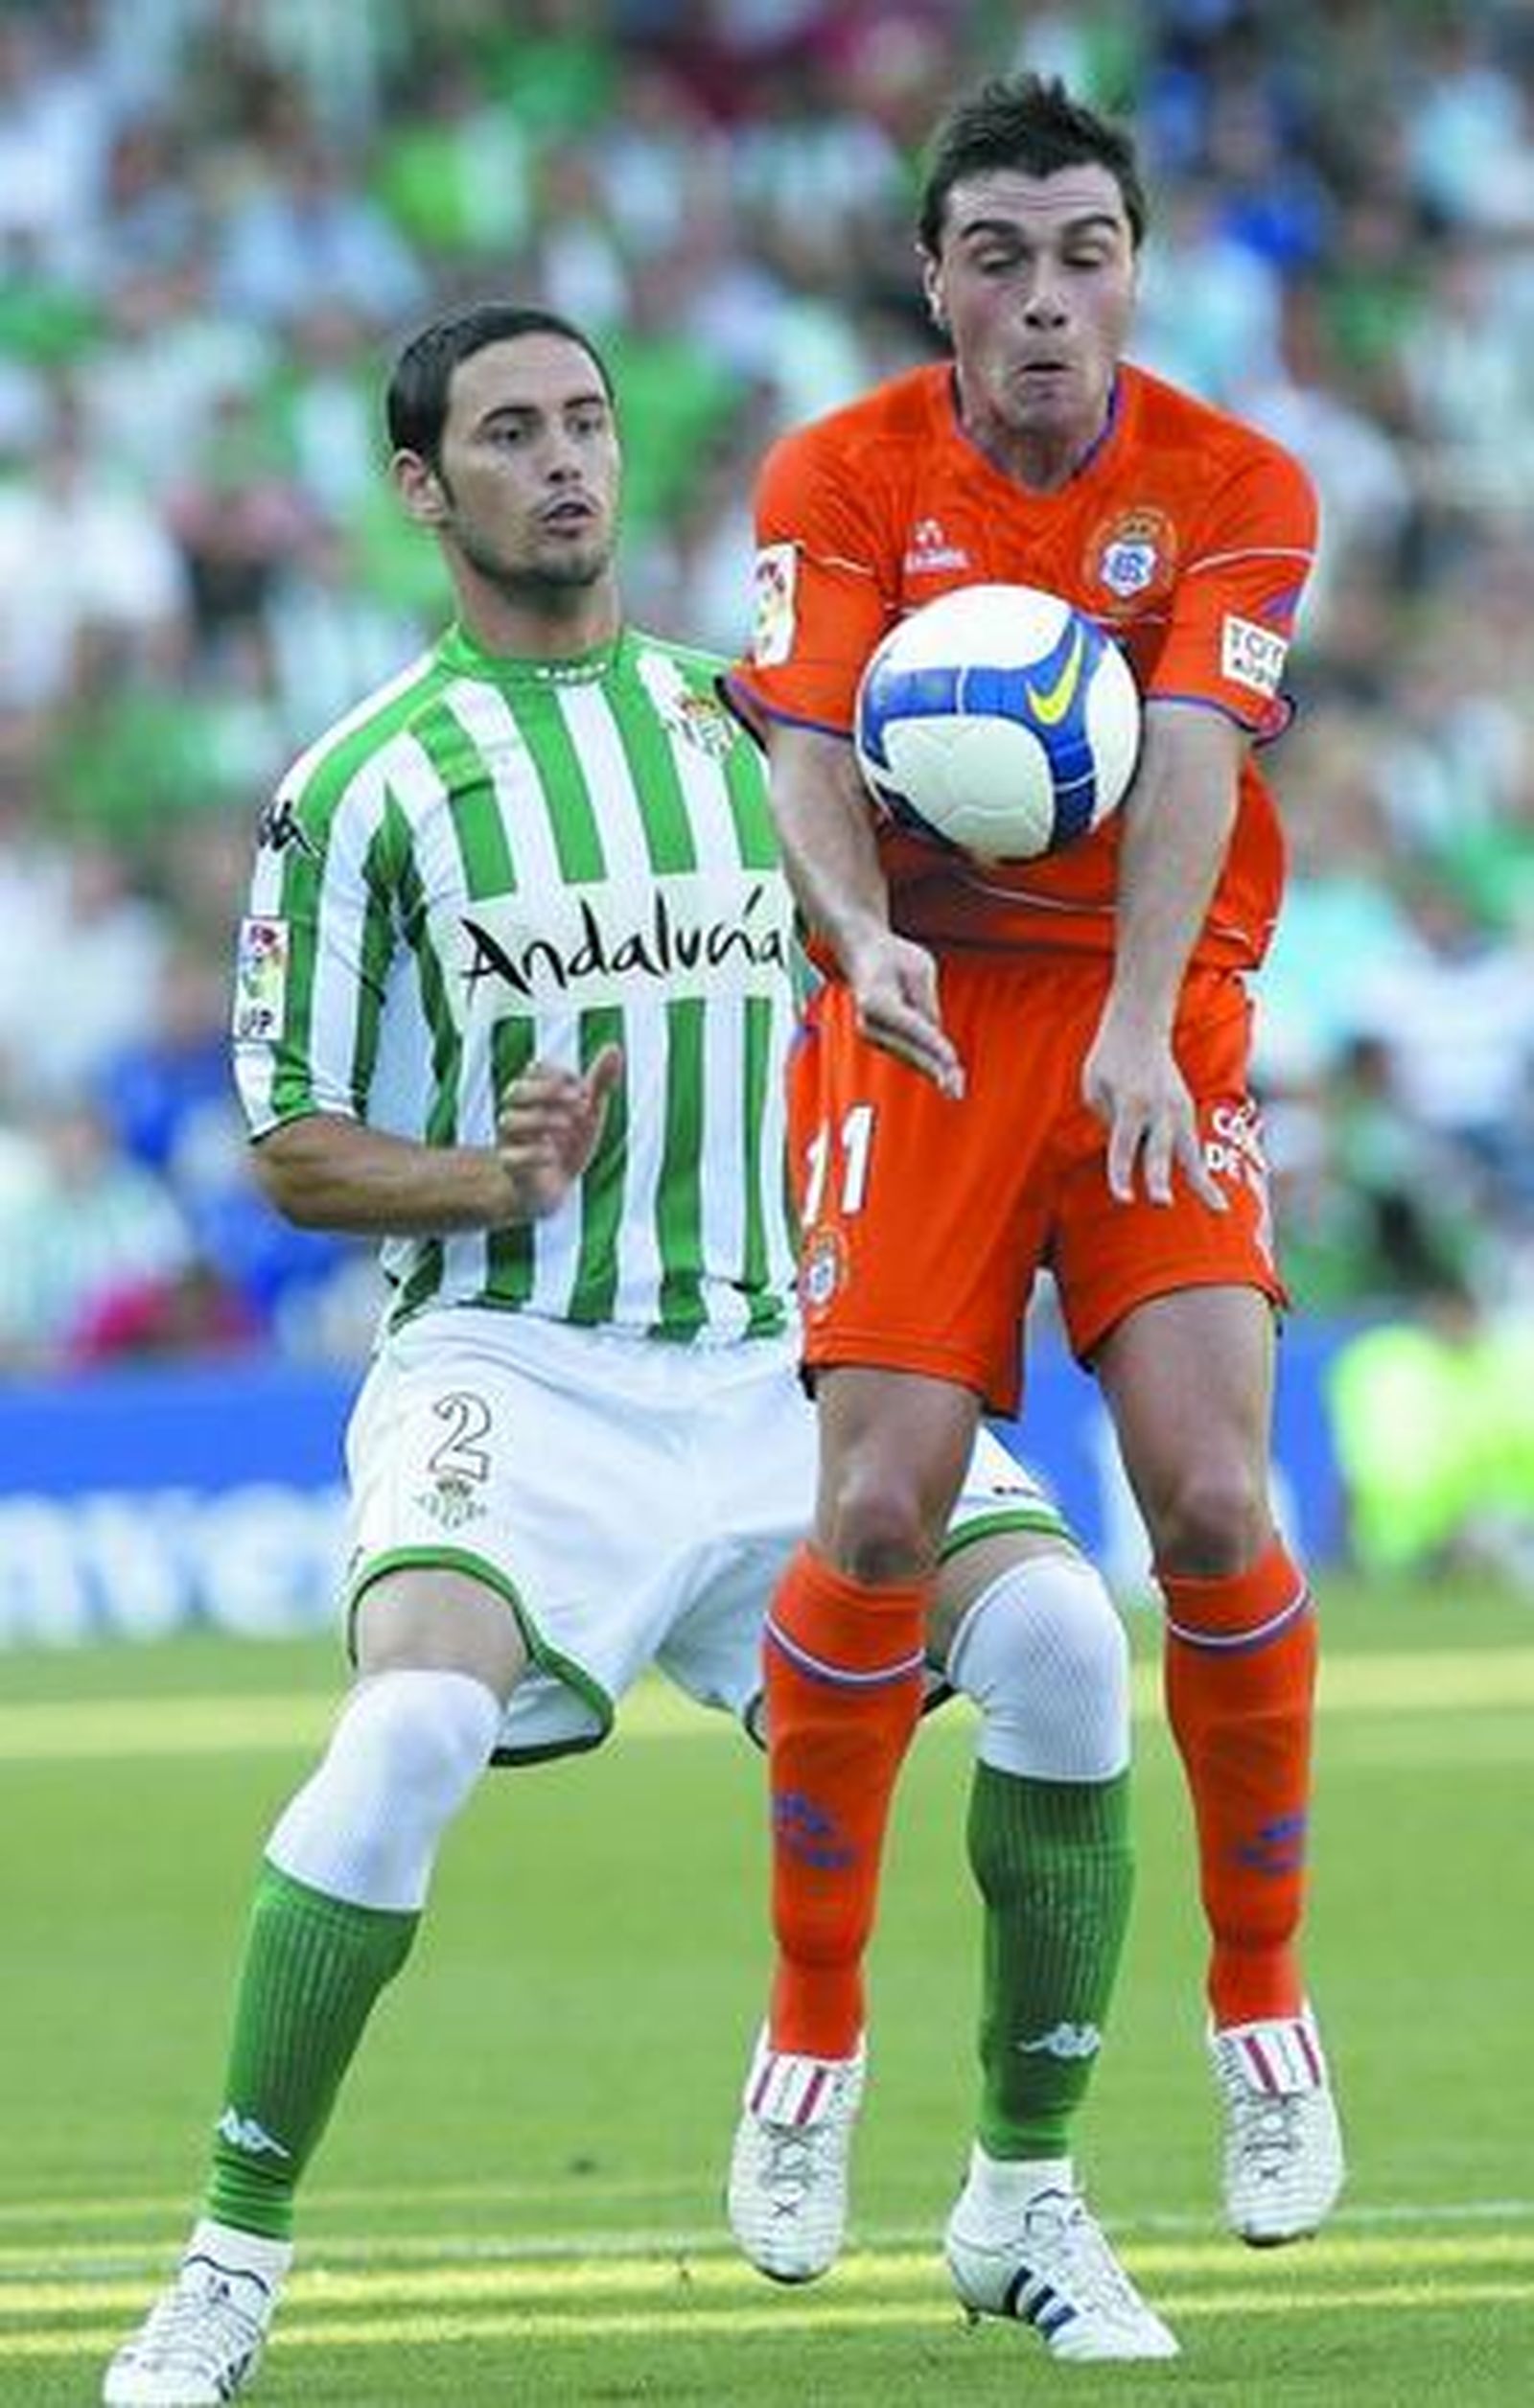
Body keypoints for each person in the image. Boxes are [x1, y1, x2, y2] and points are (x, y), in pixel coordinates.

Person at [103, 300, 1174, 2408]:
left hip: (786, 1358)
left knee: (1060, 1642)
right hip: (520, 1362)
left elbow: (910, 909)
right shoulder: (363, 788)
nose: (565, 461)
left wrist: (891, 957)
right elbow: (293, 1144)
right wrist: (480, 1182)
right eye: (508, 432)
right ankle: (222, 2267)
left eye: (587, 420)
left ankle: (1021, 2196)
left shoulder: (741, 722)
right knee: (406, 1730)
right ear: (422, 485)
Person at [723, 71, 1345, 2289]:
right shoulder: (844, 472)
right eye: (997, 257)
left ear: (1132, 269)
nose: (1044, 300)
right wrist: (848, 922)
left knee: (1211, 1508)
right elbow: (803, 738)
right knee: (874, 1513)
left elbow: (1184, 756)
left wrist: (1133, 1026)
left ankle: (1259, 2000)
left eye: (1082, 252)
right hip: (913, 1014)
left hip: (1143, 1014)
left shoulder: (1234, 485)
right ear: (934, 280)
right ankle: (808, 2040)